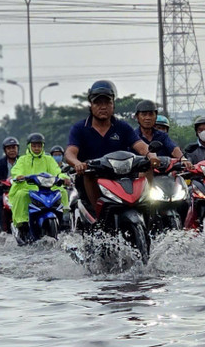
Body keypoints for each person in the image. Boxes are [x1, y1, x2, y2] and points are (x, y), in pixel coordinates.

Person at [64, 80, 157, 211]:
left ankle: (150, 210)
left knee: (147, 167)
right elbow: (70, 152)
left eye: (107, 102)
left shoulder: (122, 127)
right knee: (88, 173)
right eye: (98, 103)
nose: (103, 107)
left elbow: (141, 146)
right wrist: (77, 163)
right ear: (91, 105)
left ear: (113, 104)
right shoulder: (80, 128)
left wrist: (151, 155)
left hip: (122, 178)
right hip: (93, 178)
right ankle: (98, 218)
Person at [9, 132, 68, 240]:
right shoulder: (23, 159)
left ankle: (64, 219)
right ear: (29, 146)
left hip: (47, 188)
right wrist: (18, 176)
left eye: (39, 145)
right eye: (34, 145)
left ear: (43, 146)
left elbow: (57, 171)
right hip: (28, 188)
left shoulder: (49, 159)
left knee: (62, 191)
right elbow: (16, 170)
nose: (37, 148)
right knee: (21, 195)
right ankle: (23, 224)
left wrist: (64, 178)